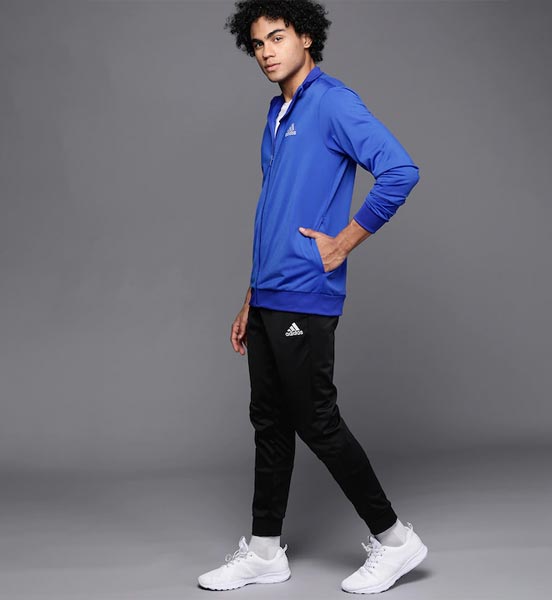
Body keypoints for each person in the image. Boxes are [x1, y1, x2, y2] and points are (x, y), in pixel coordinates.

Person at [198, 0, 427, 594]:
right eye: (257, 44)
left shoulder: (332, 102)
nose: (266, 52)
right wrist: (250, 295)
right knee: (270, 421)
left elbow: (399, 171)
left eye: (277, 38)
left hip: (306, 292)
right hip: (270, 293)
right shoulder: (277, 112)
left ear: (305, 37)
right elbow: (273, 211)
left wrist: (343, 243)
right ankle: (265, 551)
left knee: (316, 421)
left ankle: (395, 540)